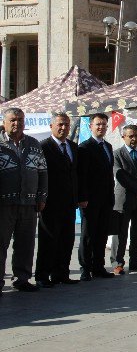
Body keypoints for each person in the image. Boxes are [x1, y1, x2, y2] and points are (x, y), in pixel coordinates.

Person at [0, 107, 48, 293]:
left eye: (20, 119)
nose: (17, 123)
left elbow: (43, 172)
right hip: (4, 204)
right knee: (1, 243)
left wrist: (42, 196)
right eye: (12, 119)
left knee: (26, 243)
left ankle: (22, 278)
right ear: (4, 122)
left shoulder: (34, 144)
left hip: (28, 204)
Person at [35, 113, 81, 288]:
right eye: (60, 124)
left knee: (67, 239)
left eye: (67, 125)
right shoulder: (43, 147)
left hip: (69, 202)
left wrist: (78, 197)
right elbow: (40, 174)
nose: (64, 128)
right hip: (50, 202)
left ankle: (61, 273)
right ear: (51, 126)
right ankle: (42, 275)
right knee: (48, 240)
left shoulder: (72, 147)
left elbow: (76, 174)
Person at [110, 124, 137, 274]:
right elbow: (120, 175)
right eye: (131, 136)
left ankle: (136, 260)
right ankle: (118, 262)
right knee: (120, 233)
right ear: (123, 137)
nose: (134, 139)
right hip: (123, 200)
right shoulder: (117, 154)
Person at [78, 113, 116, 281]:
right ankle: (85, 267)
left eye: (104, 124)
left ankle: (98, 266)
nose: (101, 127)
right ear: (90, 126)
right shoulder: (85, 147)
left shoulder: (108, 146)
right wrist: (83, 197)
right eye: (98, 124)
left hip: (106, 198)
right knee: (88, 235)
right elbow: (82, 175)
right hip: (90, 199)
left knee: (102, 234)